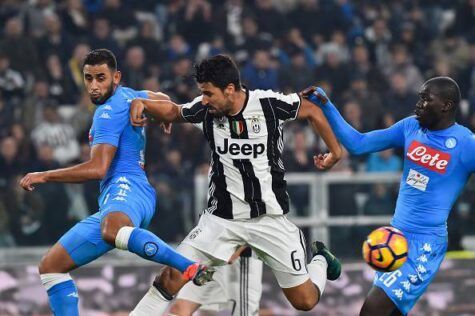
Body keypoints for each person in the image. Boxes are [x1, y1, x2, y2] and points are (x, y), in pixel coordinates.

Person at [129, 54, 343, 315]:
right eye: (202, 93)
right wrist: (142, 103)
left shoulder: (269, 105)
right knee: (171, 277)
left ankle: (320, 258)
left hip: (269, 219)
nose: (204, 99)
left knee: (305, 301)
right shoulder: (204, 110)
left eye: (209, 93)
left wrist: (335, 152)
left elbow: (310, 108)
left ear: (230, 89)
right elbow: (174, 111)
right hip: (221, 220)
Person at [18, 49, 212, 316]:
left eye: (101, 78)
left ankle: (188, 266)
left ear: (115, 77)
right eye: (89, 78)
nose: (94, 86)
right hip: (119, 198)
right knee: (51, 266)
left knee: (111, 229)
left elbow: (98, 168)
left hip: (127, 188)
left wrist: (45, 175)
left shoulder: (107, 113)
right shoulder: (131, 95)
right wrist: (161, 114)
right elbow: (164, 100)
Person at [302, 76, 475, 316]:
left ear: (446, 105)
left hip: (425, 244)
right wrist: (326, 105)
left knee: (371, 311)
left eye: (426, 99)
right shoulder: (411, 127)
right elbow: (358, 144)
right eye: (419, 97)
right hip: (394, 239)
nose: (418, 104)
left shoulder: (466, 144)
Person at [170, 246, 263, 316]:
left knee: (244, 313)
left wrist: (239, 247)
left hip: (240, 257)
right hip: (209, 254)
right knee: (179, 309)